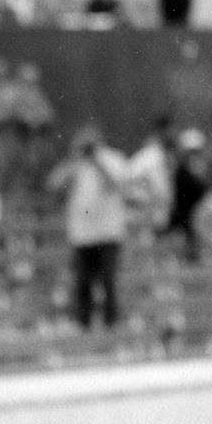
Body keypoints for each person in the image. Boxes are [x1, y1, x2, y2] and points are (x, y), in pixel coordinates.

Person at [52, 126, 133, 330]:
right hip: (82, 234)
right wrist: (75, 161)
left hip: (108, 231)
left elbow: (116, 184)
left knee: (108, 279)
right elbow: (54, 185)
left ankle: (111, 321)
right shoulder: (74, 163)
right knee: (83, 281)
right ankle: (83, 322)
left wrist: (97, 162)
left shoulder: (113, 159)